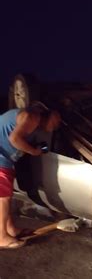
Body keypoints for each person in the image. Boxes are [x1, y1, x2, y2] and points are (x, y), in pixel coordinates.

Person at [0, 107, 61, 249]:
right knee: (3, 198)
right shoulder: (32, 117)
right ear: (49, 114)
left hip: (4, 159)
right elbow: (14, 139)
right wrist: (33, 151)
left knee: (6, 196)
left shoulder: (33, 124)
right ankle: (1, 237)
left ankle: (10, 230)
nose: (57, 125)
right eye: (57, 120)